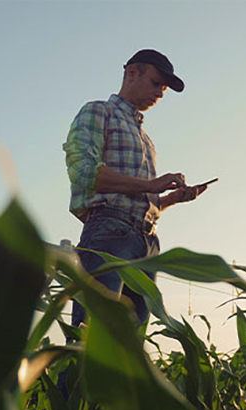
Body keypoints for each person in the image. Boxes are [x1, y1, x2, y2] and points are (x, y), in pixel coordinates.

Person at [63, 49, 207, 327]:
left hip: (147, 242)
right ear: (132, 73)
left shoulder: (146, 139)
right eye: (156, 84)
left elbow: (137, 200)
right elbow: (83, 172)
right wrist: (151, 184)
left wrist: (172, 199)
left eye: (164, 89)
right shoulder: (98, 111)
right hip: (109, 234)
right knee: (92, 338)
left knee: (129, 349)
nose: (161, 94)